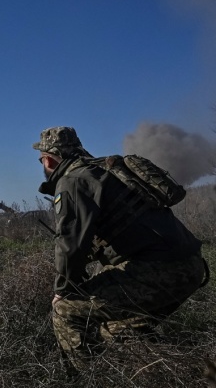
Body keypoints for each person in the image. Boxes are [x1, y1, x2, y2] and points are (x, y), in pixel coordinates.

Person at [33, 126, 206, 373]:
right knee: (114, 331)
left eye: (41, 160)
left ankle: (92, 379)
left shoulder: (72, 181)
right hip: (191, 266)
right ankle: (176, 370)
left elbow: (70, 245)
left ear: (48, 159)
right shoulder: (107, 171)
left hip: (158, 271)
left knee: (64, 311)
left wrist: (63, 290)